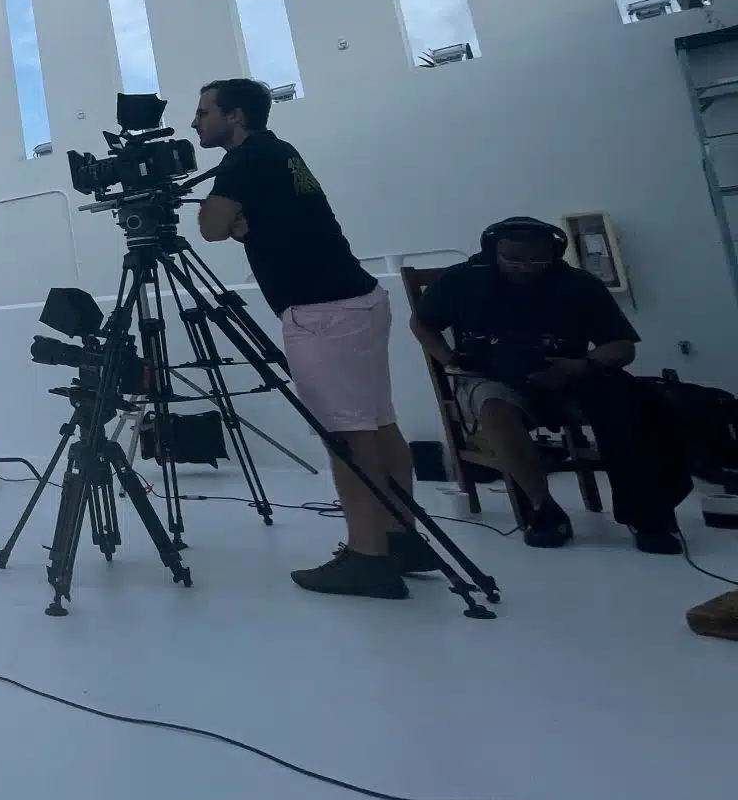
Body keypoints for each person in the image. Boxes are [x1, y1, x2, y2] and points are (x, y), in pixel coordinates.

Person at [194, 78, 431, 599]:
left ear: (234, 117)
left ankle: (368, 557)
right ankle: (401, 537)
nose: (196, 122)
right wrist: (243, 226)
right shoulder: (280, 152)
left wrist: (229, 223)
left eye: (205, 112)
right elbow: (258, 221)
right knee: (378, 421)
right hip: (359, 299)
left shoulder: (242, 160)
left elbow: (210, 227)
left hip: (322, 313)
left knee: (347, 434)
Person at [409, 217, 689, 553]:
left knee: (631, 402)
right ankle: (543, 508)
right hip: (492, 377)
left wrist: (583, 365)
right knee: (493, 407)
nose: (524, 268)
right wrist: (449, 360)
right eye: (512, 259)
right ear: (493, 251)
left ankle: (646, 515)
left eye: (536, 260)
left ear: (554, 254)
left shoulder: (579, 285)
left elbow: (622, 347)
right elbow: (421, 322)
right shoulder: (462, 281)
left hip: (569, 374)